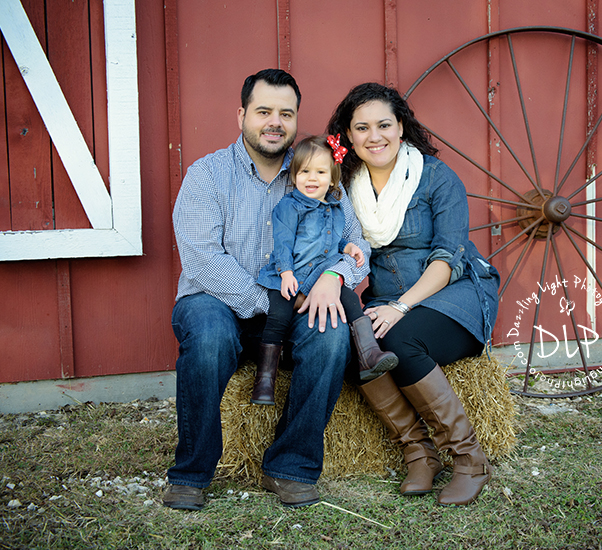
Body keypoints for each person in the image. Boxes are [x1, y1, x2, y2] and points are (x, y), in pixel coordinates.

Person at [164, 69, 370, 511]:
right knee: (209, 337)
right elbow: (202, 258)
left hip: (295, 304)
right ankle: (192, 474)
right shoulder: (208, 174)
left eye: (285, 114)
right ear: (242, 115)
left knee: (332, 335)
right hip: (214, 300)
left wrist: (337, 277)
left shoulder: (316, 172)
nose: (274, 122)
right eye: (263, 111)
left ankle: (290, 466)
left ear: (296, 121)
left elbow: (357, 247)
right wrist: (271, 302)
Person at [327, 82, 501, 506]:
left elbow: (447, 258)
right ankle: (419, 453)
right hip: (387, 300)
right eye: (362, 127)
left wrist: (401, 307)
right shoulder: (344, 186)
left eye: (384, 124)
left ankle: (469, 459)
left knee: (400, 341)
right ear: (349, 136)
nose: (375, 136)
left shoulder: (436, 178)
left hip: (454, 295)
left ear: (401, 127)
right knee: (349, 342)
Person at [252, 135, 398, 405]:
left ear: (332, 179)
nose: (311, 178)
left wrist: (347, 248)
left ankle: (369, 354)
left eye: (320, 172)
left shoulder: (334, 208)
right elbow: (282, 243)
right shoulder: (289, 207)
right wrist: (285, 273)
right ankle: (264, 380)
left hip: (319, 277)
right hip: (289, 278)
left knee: (351, 299)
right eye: (304, 171)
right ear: (294, 176)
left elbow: (331, 240)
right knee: (278, 317)